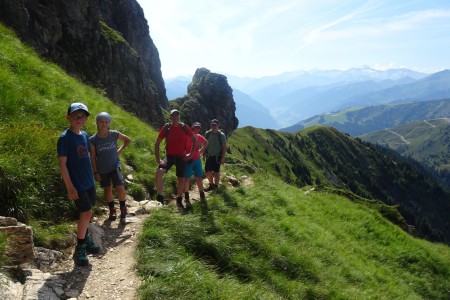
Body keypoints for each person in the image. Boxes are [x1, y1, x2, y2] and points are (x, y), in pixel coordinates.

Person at [57, 102, 100, 267]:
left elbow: (87, 157)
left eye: (82, 116)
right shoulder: (65, 138)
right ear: (69, 117)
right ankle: (80, 247)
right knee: (86, 212)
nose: (79, 118)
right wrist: (70, 187)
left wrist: (94, 174)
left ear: (86, 119)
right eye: (75, 115)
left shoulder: (83, 135)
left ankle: (85, 237)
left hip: (88, 182)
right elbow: (62, 164)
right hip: (77, 184)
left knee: (87, 213)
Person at [89, 112, 131, 223]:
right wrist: (95, 172)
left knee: (120, 187)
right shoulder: (93, 139)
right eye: (101, 122)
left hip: (114, 166)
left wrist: (119, 151)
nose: (103, 124)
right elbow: (92, 157)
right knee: (107, 189)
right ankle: (112, 210)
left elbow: (127, 140)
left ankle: (123, 209)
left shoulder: (114, 134)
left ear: (109, 124)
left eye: (106, 122)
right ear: (97, 123)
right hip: (102, 169)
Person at [154, 109, 197, 207]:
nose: (175, 118)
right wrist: (158, 159)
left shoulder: (184, 127)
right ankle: (160, 197)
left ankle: (179, 199)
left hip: (181, 157)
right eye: (173, 116)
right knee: (159, 172)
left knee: (181, 179)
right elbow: (157, 143)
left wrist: (190, 155)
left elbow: (195, 140)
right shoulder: (167, 128)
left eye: (176, 116)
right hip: (169, 156)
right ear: (170, 117)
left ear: (179, 117)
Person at [183, 122, 208, 203]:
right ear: (192, 128)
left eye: (198, 128)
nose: (197, 129)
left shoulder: (198, 137)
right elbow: (182, 146)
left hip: (197, 160)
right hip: (188, 160)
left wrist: (200, 151)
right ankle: (186, 194)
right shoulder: (187, 136)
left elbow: (206, 142)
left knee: (199, 178)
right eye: (195, 127)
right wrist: (185, 155)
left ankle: (201, 194)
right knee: (187, 179)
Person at [203, 119, 227, 191]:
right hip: (209, 156)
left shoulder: (221, 135)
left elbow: (224, 147)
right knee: (207, 172)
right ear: (211, 125)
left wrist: (223, 158)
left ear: (218, 126)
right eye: (212, 125)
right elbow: (205, 145)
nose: (213, 126)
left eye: (215, 125)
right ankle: (211, 184)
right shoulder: (207, 133)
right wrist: (204, 154)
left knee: (216, 172)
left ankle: (216, 186)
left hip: (217, 157)